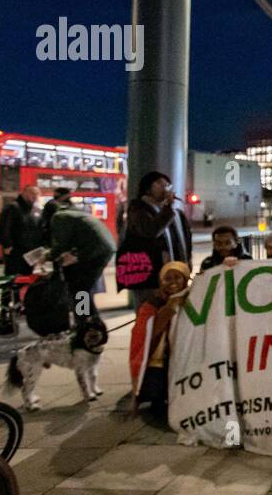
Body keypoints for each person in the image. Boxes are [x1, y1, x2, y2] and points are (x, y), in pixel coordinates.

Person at [129, 261, 191, 424]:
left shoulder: (193, 298)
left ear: (185, 279)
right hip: (160, 357)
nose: (173, 282)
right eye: (167, 278)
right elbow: (148, 332)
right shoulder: (152, 303)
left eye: (178, 278)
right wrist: (170, 307)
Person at [126, 171, 192, 309]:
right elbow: (151, 231)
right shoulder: (138, 209)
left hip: (173, 273)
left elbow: (186, 241)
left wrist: (186, 264)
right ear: (148, 188)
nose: (165, 187)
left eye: (167, 184)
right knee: (150, 315)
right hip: (148, 276)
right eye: (159, 183)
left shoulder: (175, 213)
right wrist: (168, 207)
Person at [47, 201, 116, 324]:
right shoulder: (72, 214)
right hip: (102, 248)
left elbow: (62, 244)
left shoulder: (58, 217)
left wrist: (47, 256)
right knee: (82, 287)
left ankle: (86, 323)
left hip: (97, 251)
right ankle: (88, 321)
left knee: (80, 288)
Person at [0, 184, 43, 320]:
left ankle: (21, 304)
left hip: (31, 252)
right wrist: (7, 245)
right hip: (16, 251)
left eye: (36, 194)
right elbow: (3, 228)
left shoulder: (36, 210)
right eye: (32, 194)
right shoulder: (13, 207)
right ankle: (5, 308)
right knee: (11, 280)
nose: (34, 197)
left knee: (27, 279)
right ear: (24, 193)